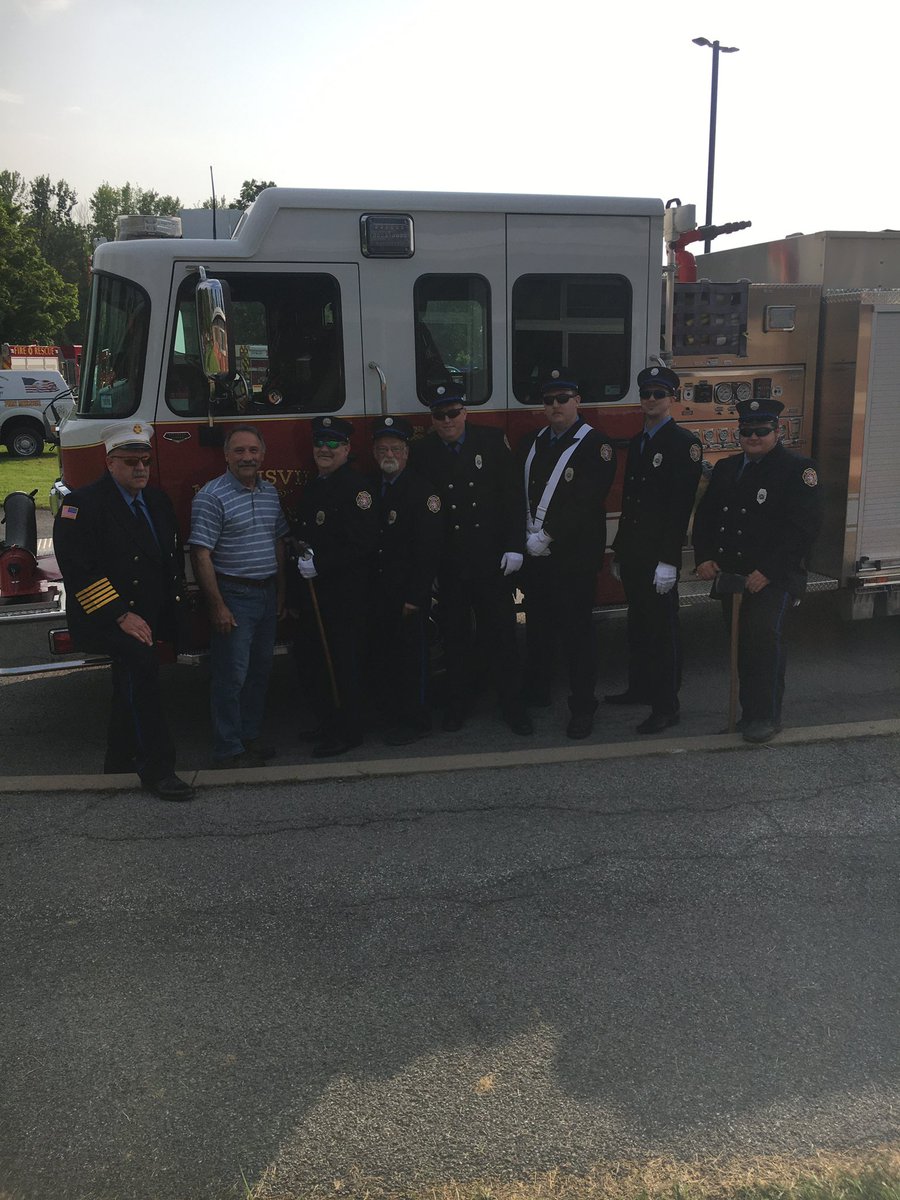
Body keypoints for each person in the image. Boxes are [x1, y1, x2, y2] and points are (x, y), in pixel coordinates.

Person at [53, 422, 193, 800]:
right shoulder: (81, 505)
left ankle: (117, 762)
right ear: (110, 462)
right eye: (131, 462)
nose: (140, 469)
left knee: (127, 686)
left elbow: (167, 560)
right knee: (141, 680)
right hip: (111, 616)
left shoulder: (157, 500)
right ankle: (158, 769)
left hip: (150, 614)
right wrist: (120, 615)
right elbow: (80, 571)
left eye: (144, 461)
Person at [692, 397, 823, 743]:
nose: (753, 437)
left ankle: (766, 717)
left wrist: (768, 571)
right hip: (732, 577)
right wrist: (703, 557)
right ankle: (748, 715)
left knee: (762, 643)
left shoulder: (798, 470)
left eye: (761, 431)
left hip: (773, 578)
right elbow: (706, 517)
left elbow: (804, 529)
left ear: (778, 431)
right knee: (740, 645)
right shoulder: (727, 467)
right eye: (747, 431)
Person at [409, 383, 532, 735]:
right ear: (431, 419)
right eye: (439, 415)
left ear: (465, 412)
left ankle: (513, 707)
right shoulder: (423, 452)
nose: (447, 420)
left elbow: (511, 496)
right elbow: (423, 513)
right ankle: (457, 706)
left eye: (452, 412)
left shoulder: (492, 441)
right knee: (455, 640)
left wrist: (514, 546)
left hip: (491, 559)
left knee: (502, 637)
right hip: (450, 563)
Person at [517, 368, 617, 739]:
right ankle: (537, 690)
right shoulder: (532, 442)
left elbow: (586, 499)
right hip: (534, 555)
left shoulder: (597, 445)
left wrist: (548, 534)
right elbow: (520, 494)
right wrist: (524, 539)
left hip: (572, 556)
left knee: (577, 634)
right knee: (538, 626)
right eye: (548, 400)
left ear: (578, 401)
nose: (555, 406)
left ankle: (583, 706)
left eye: (563, 399)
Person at [608, 364, 703, 733]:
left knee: (663, 631)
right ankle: (640, 687)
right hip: (634, 550)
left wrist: (669, 560)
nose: (651, 400)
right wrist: (620, 549)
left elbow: (680, 508)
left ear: (672, 399)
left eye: (659, 394)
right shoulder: (639, 440)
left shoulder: (684, 444)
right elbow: (632, 503)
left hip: (658, 555)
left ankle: (666, 705)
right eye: (646, 393)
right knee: (638, 625)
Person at [189, 424, 289, 768]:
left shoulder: (270, 493)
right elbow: (200, 553)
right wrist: (217, 605)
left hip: (266, 592)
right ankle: (227, 747)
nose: (247, 457)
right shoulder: (211, 496)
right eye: (239, 451)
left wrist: (280, 593)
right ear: (226, 455)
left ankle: (250, 735)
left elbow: (278, 542)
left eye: (253, 451)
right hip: (234, 595)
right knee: (232, 676)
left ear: (263, 455)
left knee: (260, 673)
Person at [289, 415, 378, 757]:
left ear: (346, 448)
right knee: (314, 661)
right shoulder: (316, 485)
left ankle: (348, 731)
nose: (323, 450)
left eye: (331, 444)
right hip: (315, 594)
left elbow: (363, 544)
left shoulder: (357, 489)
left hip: (346, 596)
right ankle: (328, 721)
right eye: (318, 443)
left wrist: (320, 564)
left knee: (344, 663)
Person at [368, 414, 444, 745]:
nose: (389, 454)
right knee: (385, 657)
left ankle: (417, 720)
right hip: (379, 592)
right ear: (374, 453)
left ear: (406, 453)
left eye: (396, 448)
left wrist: (416, 596)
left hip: (408, 595)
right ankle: (391, 714)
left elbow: (428, 552)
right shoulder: (369, 489)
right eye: (383, 448)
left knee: (412, 660)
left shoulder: (423, 492)